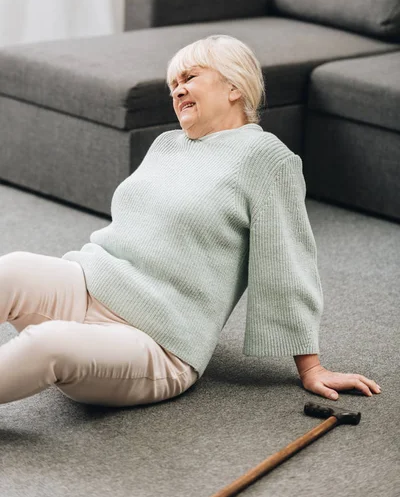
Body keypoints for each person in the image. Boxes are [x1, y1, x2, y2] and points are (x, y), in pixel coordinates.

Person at [0, 34, 380, 407]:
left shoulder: (266, 159)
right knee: (11, 269)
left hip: (157, 341)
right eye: (173, 84)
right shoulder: (166, 144)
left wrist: (311, 368)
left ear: (234, 87)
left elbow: (288, 264)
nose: (177, 91)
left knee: (47, 342)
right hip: (91, 286)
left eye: (190, 78)